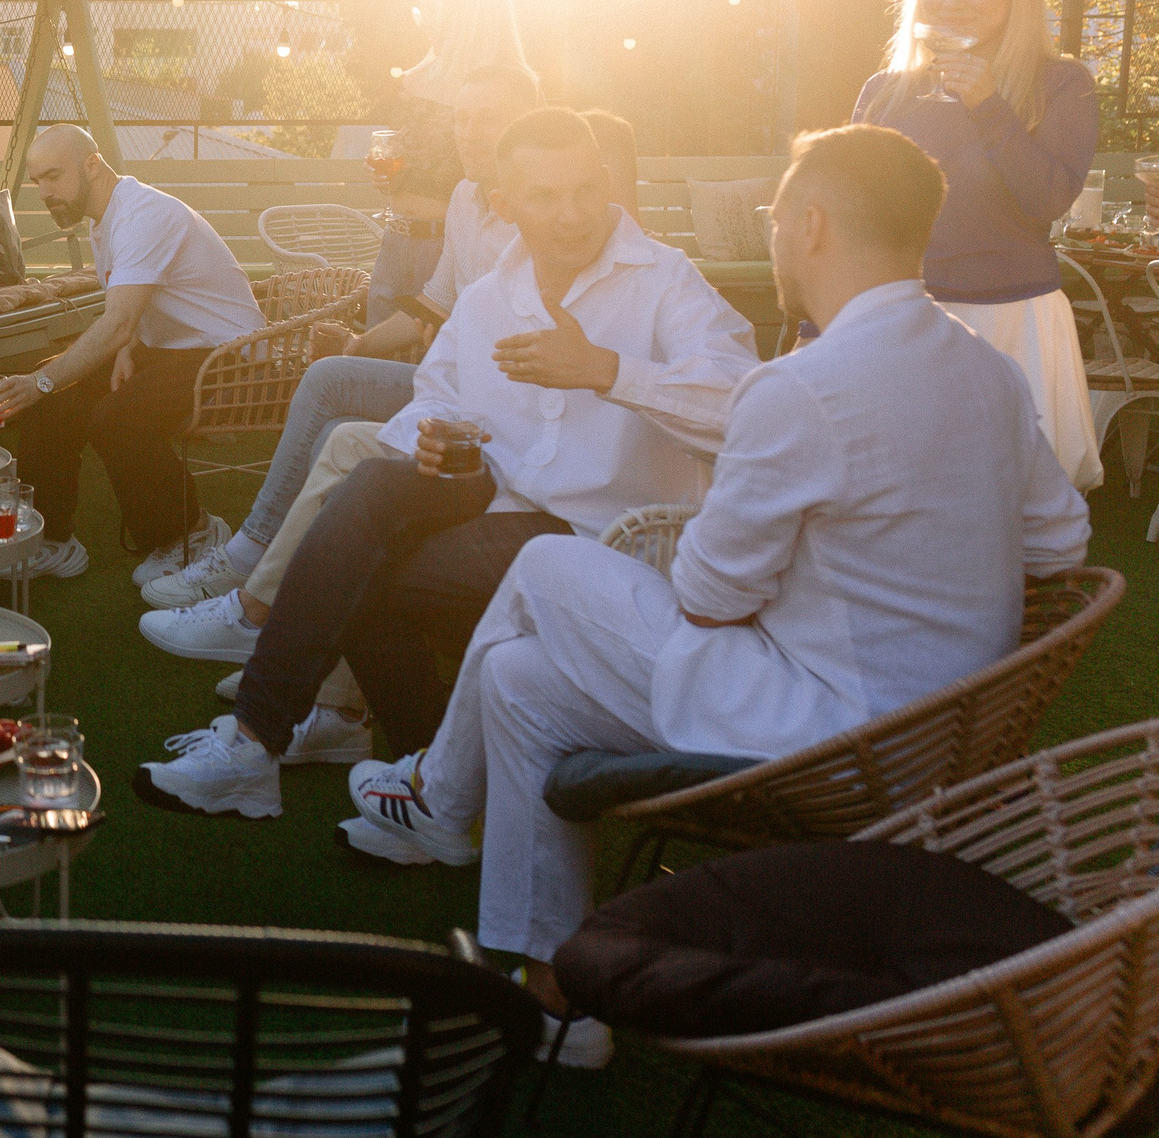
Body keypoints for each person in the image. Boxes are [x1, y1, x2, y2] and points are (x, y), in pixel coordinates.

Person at [340, 125, 1091, 1068]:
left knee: (543, 566)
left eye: (778, 217)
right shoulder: (986, 367)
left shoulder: (802, 389)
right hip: (950, 725)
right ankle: (559, 998)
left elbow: (706, 596)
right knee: (521, 680)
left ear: (809, 226)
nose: (775, 235)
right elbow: (1062, 538)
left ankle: (444, 798)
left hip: (827, 737)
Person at [137, 108, 761, 818]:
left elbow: (747, 412)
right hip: (500, 507)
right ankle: (315, 750)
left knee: (367, 574)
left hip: (605, 540)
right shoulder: (492, 296)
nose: (573, 213)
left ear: (608, 182)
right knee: (376, 477)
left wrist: (608, 370)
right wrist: (431, 431)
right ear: (504, 205)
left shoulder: (665, 280)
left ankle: (384, 772)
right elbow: (433, 394)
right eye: (545, 196)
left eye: (587, 189)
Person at [139, 63, 543, 623]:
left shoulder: (539, 214)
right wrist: (357, 343)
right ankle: (280, 595)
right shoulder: (466, 197)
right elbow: (433, 301)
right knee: (333, 419)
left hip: (494, 409)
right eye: (463, 119)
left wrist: (354, 356)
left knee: (327, 381)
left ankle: (248, 558)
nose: (469, 132)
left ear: (528, 125)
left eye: (488, 120)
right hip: (458, 388)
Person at [854, 0, 1101, 486]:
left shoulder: (1061, 83)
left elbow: (1047, 199)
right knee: (898, 497)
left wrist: (988, 105)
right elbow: (855, 216)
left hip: (1010, 319)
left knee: (1011, 505)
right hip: (904, 317)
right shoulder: (885, 92)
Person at [0, 126, 268, 583]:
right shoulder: (106, 218)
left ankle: (191, 533)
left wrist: (60, 372)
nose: (44, 192)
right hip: (174, 348)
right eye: (37, 182)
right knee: (53, 390)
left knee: (113, 415)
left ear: (92, 165)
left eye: (53, 176)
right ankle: (52, 540)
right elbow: (135, 305)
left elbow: (116, 321)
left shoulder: (142, 214)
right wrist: (125, 348)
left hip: (233, 356)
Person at [368, 0, 535, 324]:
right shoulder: (416, 79)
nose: (425, 21)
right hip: (396, 241)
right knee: (372, 360)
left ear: (465, 11)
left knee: (435, 371)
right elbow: (415, 162)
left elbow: (507, 188)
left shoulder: (504, 89)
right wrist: (393, 180)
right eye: (422, 9)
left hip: (447, 250)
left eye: (433, 9)